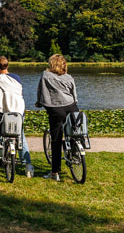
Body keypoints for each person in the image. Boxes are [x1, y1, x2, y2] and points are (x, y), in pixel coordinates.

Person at [0, 56, 34, 178]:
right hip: (18, 112)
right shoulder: (17, 78)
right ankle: (28, 166)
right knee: (20, 135)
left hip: (2, 111)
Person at [36, 54, 79, 182]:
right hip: (72, 107)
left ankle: (55, 173)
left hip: (56, 108)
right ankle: (75, 153)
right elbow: (74, 95)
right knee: (74, 132)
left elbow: (41, 91)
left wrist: (39, 102)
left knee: (56, 139)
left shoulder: (46, 75)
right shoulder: (68, 77)